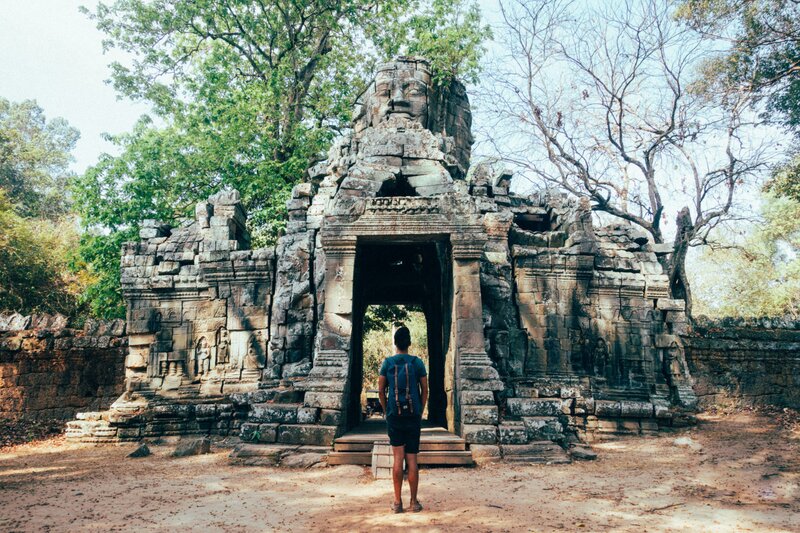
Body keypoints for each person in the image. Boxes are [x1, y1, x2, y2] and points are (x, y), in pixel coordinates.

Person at [378, 326, 428, 514]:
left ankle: (397, 502)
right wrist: (420, 411)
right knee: (412, 459)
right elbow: (425, 390)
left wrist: (386, 410)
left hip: (395, 416)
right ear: (409, 343)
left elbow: (381, 390)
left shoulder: (387, 363)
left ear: (395, 343)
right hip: (413, 416)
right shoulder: (417, 363)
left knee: (398, 458)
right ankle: (414, 502)